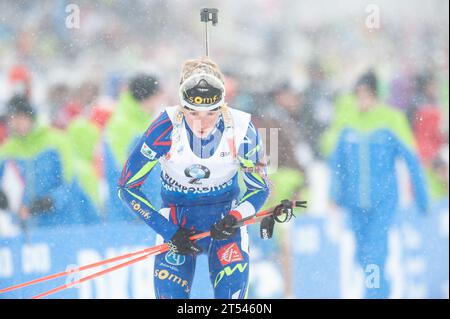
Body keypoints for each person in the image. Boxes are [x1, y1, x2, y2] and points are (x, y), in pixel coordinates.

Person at [117, 57, 270, 299]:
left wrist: (234, 217)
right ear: (181, 107)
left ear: (222, 107)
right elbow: (127, 187)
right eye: (192, 113)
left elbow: (260, 188)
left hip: (224, 225)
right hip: (178, 224)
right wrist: (168, 231)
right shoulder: (164, 128)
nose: (201, 123)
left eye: (211, 114)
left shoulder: (243, 130)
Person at [323, 70, 429, 299]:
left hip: (383, 202)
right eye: (358, 95)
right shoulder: (347, 121)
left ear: (376, 95)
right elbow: (337, 164)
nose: (362, 101)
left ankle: (373, 294)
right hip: (354, 203)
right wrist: (334, 197)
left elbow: (412, 161)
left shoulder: (391, 119)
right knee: (361, 256)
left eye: (367, 95)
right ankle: (381, 289)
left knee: (375, 253)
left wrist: (422, 198)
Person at [0, 95, 99, 228]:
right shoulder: (6, 150)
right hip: (24, 229)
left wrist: (51, 201)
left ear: (31, 117)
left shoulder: (57, 141)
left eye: (21, 117)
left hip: (62, 224)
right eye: (13, 119)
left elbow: (70, 182)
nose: (18, 123)